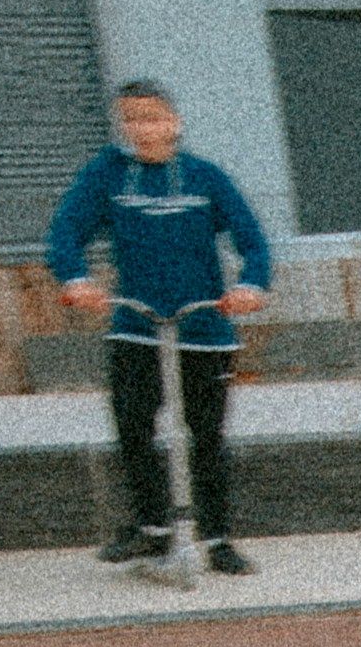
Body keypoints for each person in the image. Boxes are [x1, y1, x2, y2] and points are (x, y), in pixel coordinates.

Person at [45, 82, 271, 572]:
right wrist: (76, 279)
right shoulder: (109, 176)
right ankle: (151, 527)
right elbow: (65, 232)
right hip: (136, 325)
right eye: (130, 119)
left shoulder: (204, 178)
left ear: (174, 122)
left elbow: (253, 242)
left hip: (203, 326)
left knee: (206, 436)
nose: (141, 129)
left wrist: (251, 286)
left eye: (151, 117)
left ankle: (216, 538)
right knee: (132, 426)